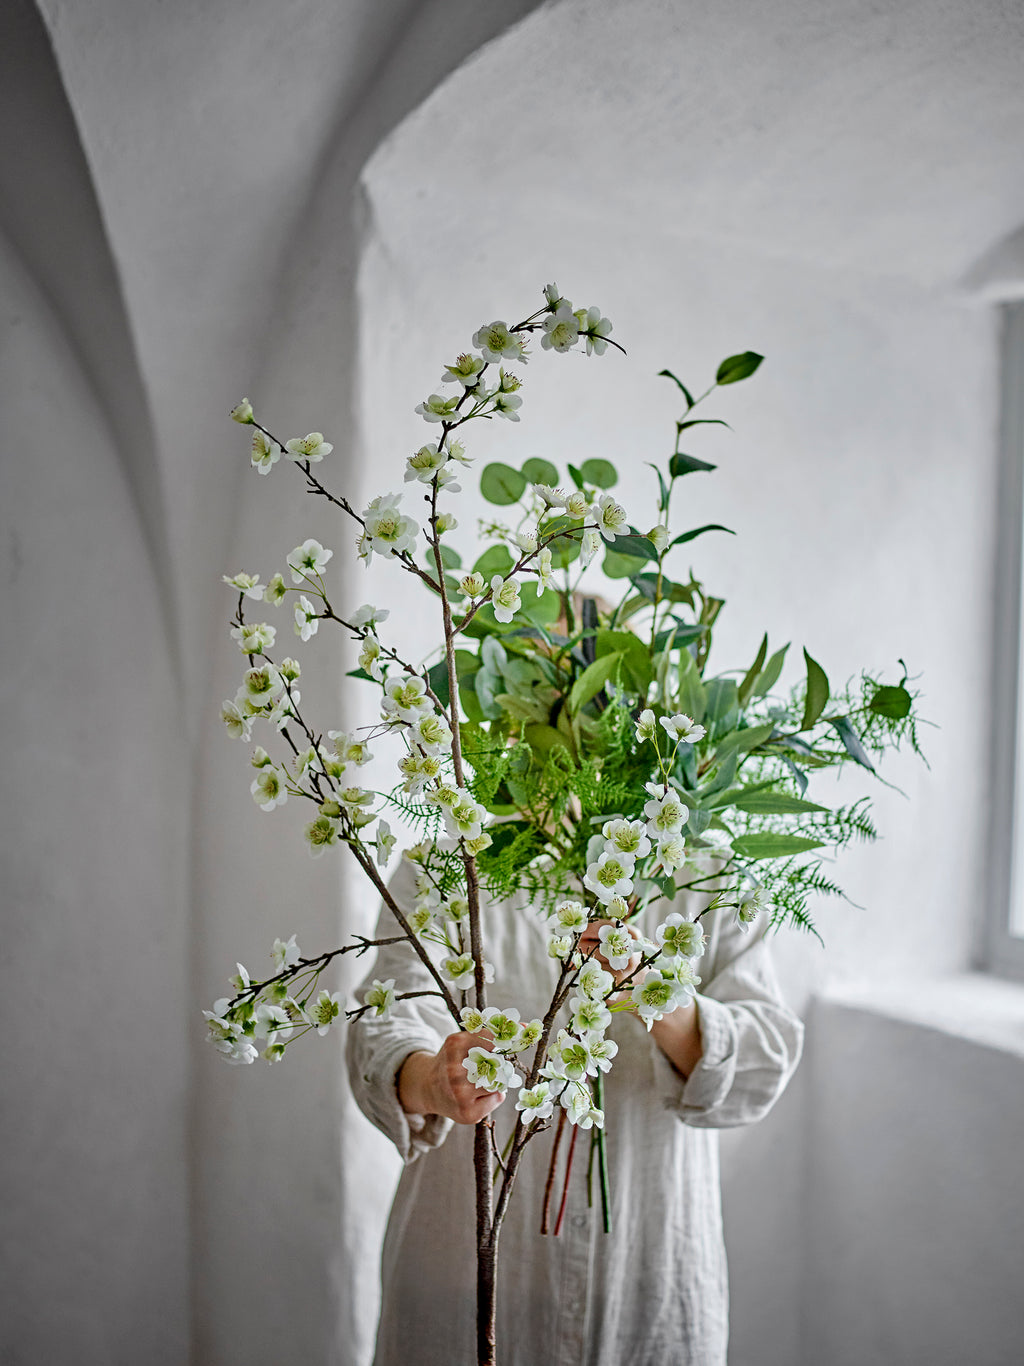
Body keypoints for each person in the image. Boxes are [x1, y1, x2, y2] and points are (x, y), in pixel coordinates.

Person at [347, 849, 804, 1366]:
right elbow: (384, 1021)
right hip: (462, 1279)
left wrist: (652, 989)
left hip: (649, 1285)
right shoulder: (446, 862)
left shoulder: (712, 875)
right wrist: (433, 1080)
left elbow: (763, 1064)